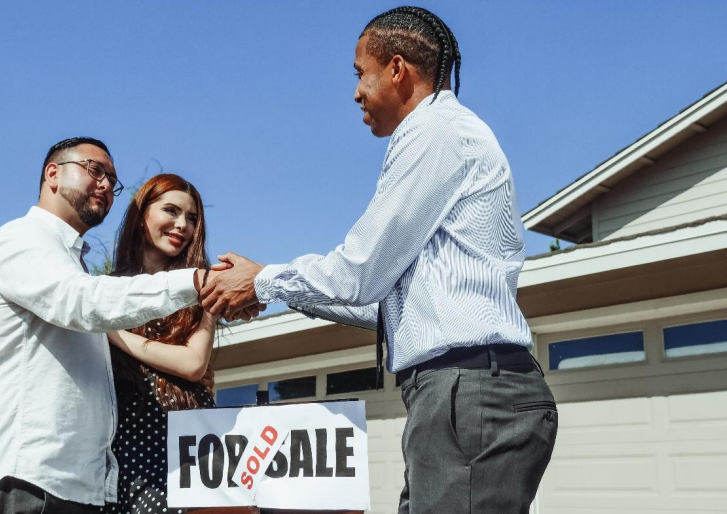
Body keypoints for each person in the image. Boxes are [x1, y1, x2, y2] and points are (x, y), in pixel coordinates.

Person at [201, 7, 557, 513]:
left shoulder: (436, 133)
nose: (355, 92)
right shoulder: (442, 134)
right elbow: (384, 306)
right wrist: (277, 289)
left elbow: (360, 272)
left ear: (396, 69)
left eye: (359, 73)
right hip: (461, 395)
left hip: (469, 394)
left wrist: (264, 282)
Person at [0, 138, 211, 514]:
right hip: (28, 483)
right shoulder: (21, 238)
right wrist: (200, 283)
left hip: (81, 489)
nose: (105, 185)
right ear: (53, 174)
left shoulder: (72, 263)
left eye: (112, 181)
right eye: (95, 170)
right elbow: (82, 301)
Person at [100, 173, 221, 514]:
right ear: (141, 216)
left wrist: (113, 332)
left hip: (188, 451)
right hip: (123, 451)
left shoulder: (203, 291)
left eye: (192, 218)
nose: (182, 225)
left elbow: (193, 364)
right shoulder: (102, 291)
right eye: (171, 210)